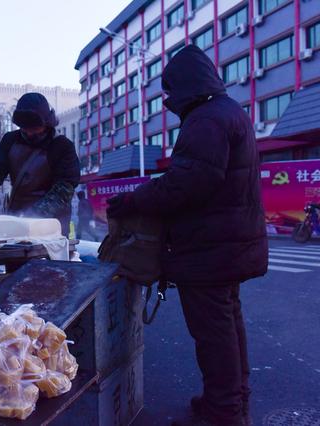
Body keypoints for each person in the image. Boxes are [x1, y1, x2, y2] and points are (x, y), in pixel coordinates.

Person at [107, 45, 268, 426]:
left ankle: (223, 413)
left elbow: (189, 181)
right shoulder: (229, 113)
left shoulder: (206, 120)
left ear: (184, 87)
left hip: (211, 249)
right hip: (229, 245)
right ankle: (231, 401)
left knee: (214, 334)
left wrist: (134, 200)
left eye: (169, 91)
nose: (168, 101)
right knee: (228, 327)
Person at [0, 92, 80, 236]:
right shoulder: (10, 140)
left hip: (52, 226)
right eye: (25, 128)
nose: (29, 133)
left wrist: (37, 214)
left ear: (46, 124)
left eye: (34, 128)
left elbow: (65, 187)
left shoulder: (62, 146)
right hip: (17, 220)